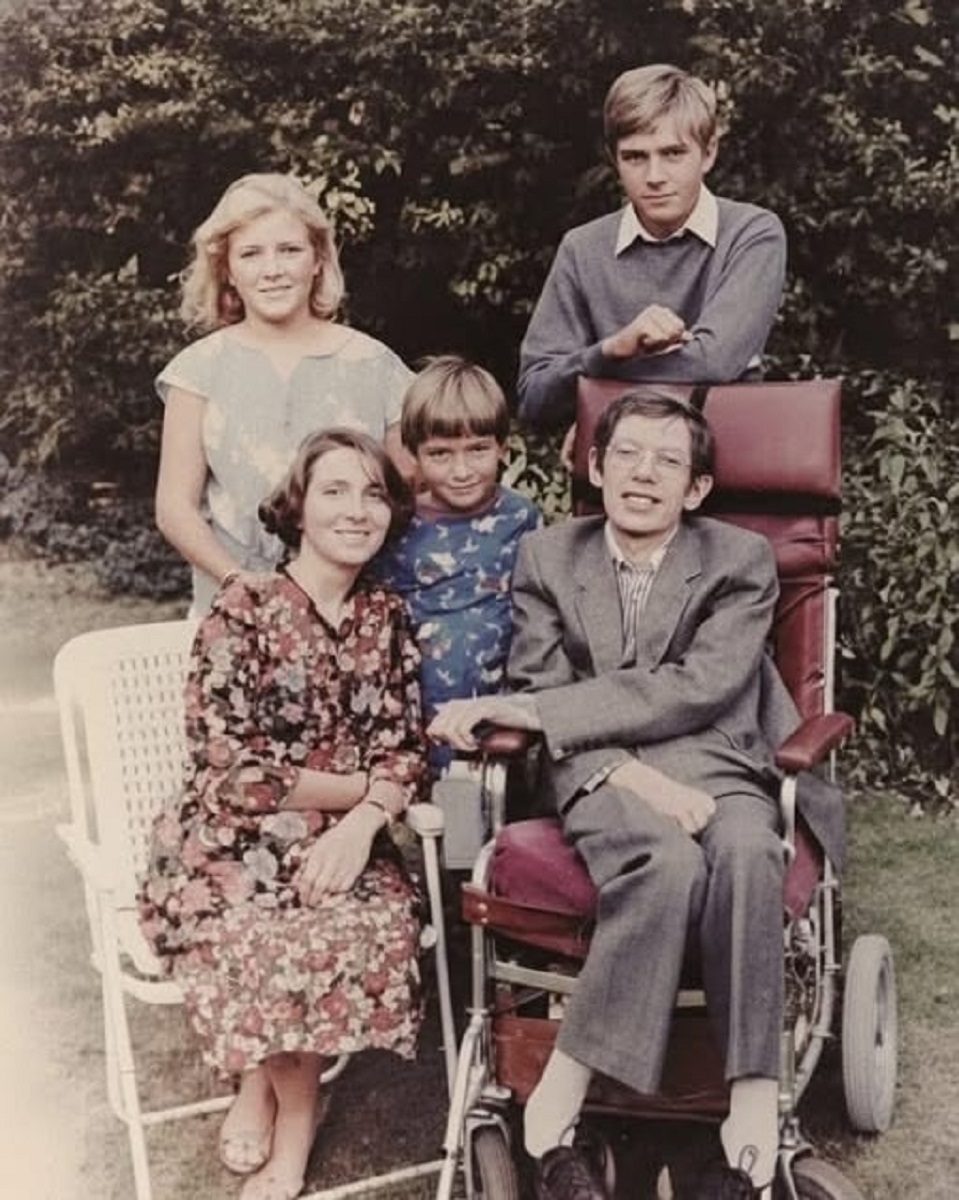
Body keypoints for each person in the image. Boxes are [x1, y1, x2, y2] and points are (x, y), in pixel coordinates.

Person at [428, 391, 816, 1199]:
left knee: (749, 849)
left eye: (668, 461)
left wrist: (539, 713)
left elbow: (701, 685)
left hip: (714, 757)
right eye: (627, 455)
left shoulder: (739, 560)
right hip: (598, 767)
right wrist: (631, 776)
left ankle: (750, 1101)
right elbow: (541, 679)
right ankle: (562, 1091)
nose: (644, 474)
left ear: (695, 489)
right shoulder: (548, 557)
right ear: (596, 468)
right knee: (664, 864)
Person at [139, 428, 427, 1200]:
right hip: (227, 841)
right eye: (335, 490)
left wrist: (360, 828)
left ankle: (262, 1086)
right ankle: (293, 1115)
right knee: (265, 939)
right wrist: (360, 789)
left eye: (374, 494)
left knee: (363, 923)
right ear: (296, 508)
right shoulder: (243, 607)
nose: (357, 510)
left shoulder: (386, 617)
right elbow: (232, 771)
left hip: (344, 837)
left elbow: (405, 752)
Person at [154, 172, 414, 615]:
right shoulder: (197, 371)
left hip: (352, 613)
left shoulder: (377, 365)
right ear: (227, 270)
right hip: (234, 612)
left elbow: (407, 492)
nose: (272, 270)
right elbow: (174, 508)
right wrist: (239, 582)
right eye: (251, 254)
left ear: (318, 260)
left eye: (290, 250)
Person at [516, 64, 787, 435]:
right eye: (635, 157)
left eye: (673, 153)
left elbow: (714, 363)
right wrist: (613, 348)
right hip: (620, 465)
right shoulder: (583, 249)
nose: (654, 176)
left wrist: (598, 394)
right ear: (614, 160)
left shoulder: (751, 233)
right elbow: (535, 397)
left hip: (726, 451)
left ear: (708, 153)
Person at [369, 355, 541, 770]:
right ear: (414, 454)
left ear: (503, 447)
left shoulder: (521, 518)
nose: (461, 471)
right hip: (413, 712)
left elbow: (540, 613)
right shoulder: (397, 525)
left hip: (498, 710)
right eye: (440, 454)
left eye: (477, 450)